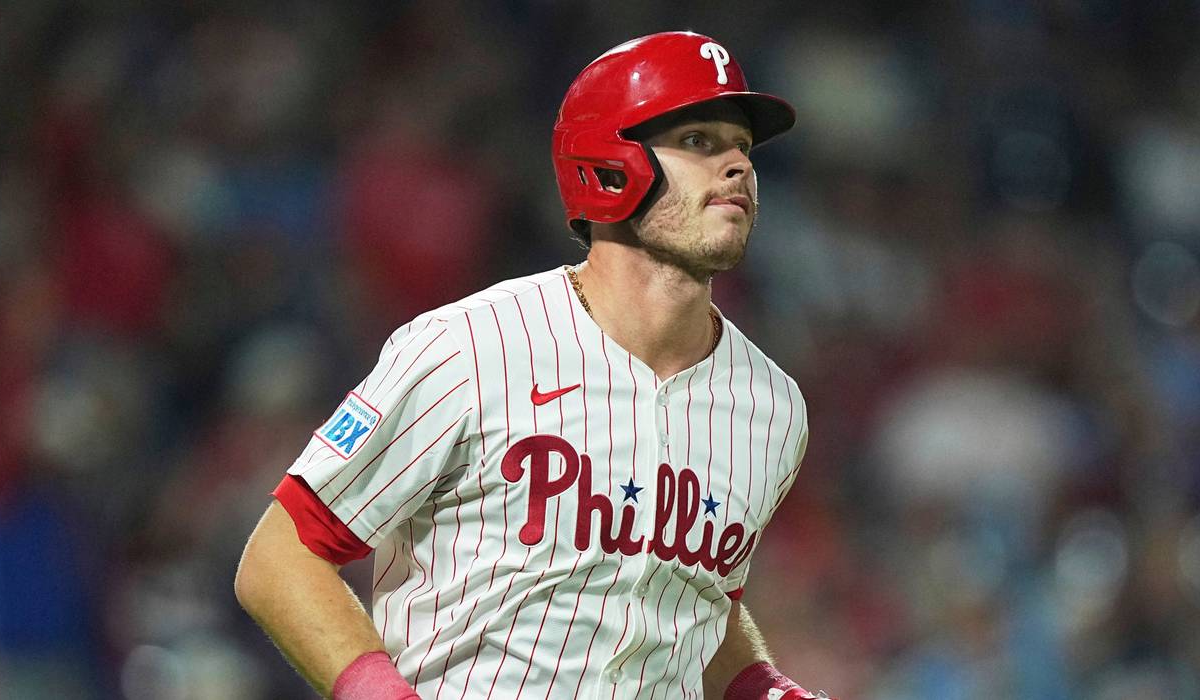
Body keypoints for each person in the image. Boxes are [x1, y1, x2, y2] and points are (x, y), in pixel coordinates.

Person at [235, 31, 834, 700]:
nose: (737, 167)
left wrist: (768, 690)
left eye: (743, 147)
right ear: (608, 165)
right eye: (698, 141)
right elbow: (281, 556)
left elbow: (694, 606)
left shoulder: (772, 407)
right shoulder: (469, 347)